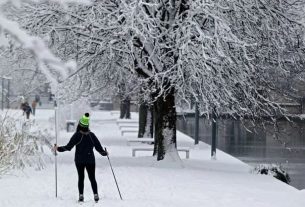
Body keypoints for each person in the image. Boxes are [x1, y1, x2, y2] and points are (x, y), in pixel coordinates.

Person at [53, 113, 108, 203]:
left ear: (80, 125)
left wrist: (58, 148)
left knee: (81, 177)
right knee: (92, 178)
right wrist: (104, 153)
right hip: (90, 160)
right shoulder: (92, 135)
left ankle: (81, 196)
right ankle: (96, 195)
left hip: (79, 160)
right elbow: (99, 148)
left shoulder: (77, 135)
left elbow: (68, 147)